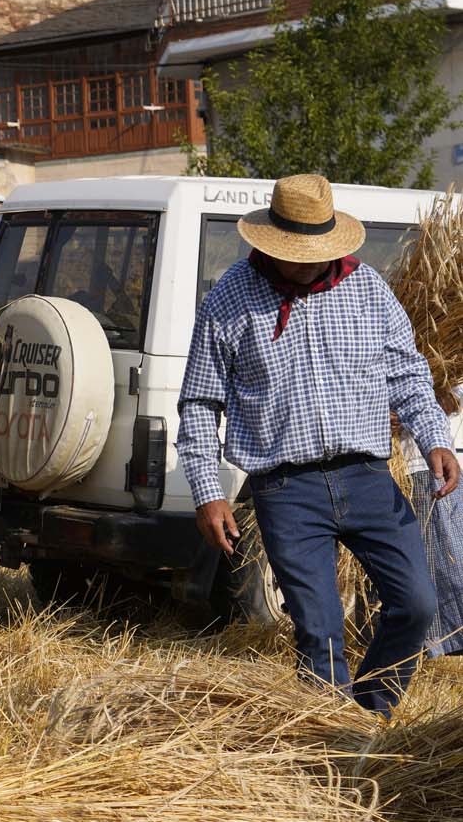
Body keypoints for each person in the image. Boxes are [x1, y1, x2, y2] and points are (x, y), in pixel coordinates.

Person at [178, 173, 459, 716]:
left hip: (369, 477)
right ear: (270, 241)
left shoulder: (368, 288)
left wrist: (434, 440)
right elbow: (199, 403)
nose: (308, 262)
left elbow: (407, 375)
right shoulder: (230, 298)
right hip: (287, 489)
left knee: (417, 605)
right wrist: (206, 492)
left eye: (317, 250)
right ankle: (332, 742)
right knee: (320, 634)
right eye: (296, 251)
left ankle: (368, 713)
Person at [397, 386, 463, 658]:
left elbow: (452, 395)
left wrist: (445, 396)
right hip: (390, 465)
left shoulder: (445, 357)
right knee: (405, 565)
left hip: (432, 462)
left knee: (449, 561)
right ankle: (419, 649)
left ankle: (444, 646)